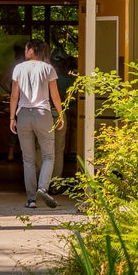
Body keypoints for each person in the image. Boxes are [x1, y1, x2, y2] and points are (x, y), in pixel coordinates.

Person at [9, 39, 65, 209]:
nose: (25, 51)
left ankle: (31, 199)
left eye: (27, 48)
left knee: (28, 159)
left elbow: (14, 95)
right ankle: (43, 187)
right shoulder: (48, 69)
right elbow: (55, 95)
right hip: (43, 114)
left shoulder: (18, 68)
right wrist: (60, 115)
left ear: (32, 50)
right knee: (49, 155)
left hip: (24, 114)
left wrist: (12, 118)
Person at [50, 50, 75, 183]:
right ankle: (55, 183)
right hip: (60, 113)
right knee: (58, 150)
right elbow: (69, 99)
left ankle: (40, 181)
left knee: (41, 147)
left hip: (44, 113)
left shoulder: (45, 76)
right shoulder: (68, 79)